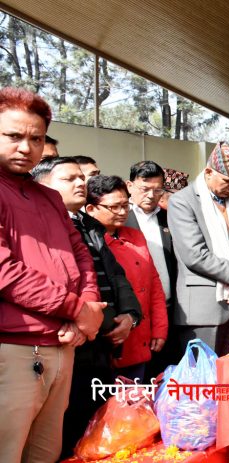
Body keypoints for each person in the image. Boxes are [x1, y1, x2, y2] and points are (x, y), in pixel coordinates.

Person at [0, 87, 104, 463]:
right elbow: (5, 271)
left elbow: (81, 257)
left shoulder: (49, 198)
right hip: (13, 348)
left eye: (36, 138)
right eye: (13, 136)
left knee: (46, 452)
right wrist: (78, 309)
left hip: (63, 345)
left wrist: (88, 310)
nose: (26, 147)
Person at [32, 157, 143, 458]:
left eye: (81, 177)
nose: (81, 183)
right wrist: (77, 319)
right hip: (67, 339)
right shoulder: (38, 225)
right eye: (69, 179)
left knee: (96, 427)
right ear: (42, 186)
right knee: (64, 430)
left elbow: (115, 275)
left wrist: (130, 316)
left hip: (101, 341)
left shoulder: (89, 225)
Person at [168, 142, 229, 355]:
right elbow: (195, 254)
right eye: (227, 181)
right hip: (204, 310)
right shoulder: (182, 201)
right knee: (204, 373)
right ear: (208, 172)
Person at [86, 175, 168, 381]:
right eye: (115, 207)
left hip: (140, 333)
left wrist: (159, 327)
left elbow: (154, 284)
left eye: (125, 205)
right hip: (109, 338)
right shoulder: (87, 243)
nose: (123, 212)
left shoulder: (135, 236)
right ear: (91, 209)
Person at [125, 160, 179, 378]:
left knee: (164, 376)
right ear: (129, 186)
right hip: (133, 313)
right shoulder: (120, 218)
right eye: (145, 189)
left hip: (167, 308)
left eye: (158, 190)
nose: (151, 195)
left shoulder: (169, 218)